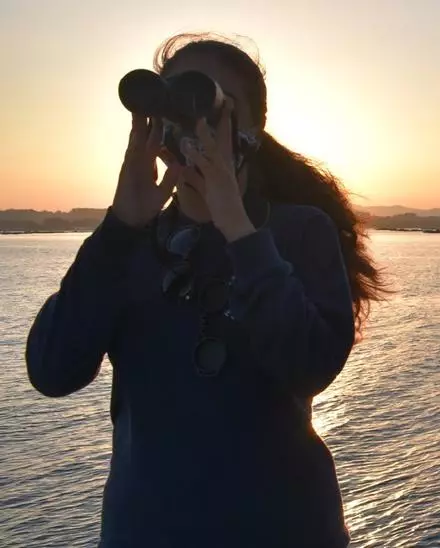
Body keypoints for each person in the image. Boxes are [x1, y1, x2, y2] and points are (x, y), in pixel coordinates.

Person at [25, 33, 387, 548]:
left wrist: (238, 229)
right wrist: (120, 228)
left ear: (252, 130)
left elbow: (309, 365)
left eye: (207, 104)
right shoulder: (129, 246)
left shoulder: (300, 231)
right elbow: (52, 370)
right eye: (171, 104)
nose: (189, 125)